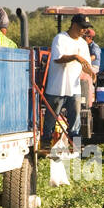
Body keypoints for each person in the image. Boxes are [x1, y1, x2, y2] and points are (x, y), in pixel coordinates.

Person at [41, 13, 96, 152]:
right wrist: (75, 57)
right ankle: (46, 141)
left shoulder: (83, 43)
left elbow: (86, 64)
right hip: (57, 87)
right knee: (51, 117)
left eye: (86, 28)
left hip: (74, 87)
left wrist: (91, 73)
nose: (84, 30)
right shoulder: (60, 39)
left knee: (76, 116)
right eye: (83, 27)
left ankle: (75, 142)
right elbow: (58, 59)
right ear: (74, 25)